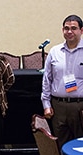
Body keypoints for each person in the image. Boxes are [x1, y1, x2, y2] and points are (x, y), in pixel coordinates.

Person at [41, 14, 83, 148]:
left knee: (80, 146)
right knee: (61, 145)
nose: (69, 31)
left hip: (80, 106)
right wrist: (46, 104)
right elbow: (47, 80)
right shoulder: (54, 51)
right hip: (58, 107)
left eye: (73, 28)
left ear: (81, 30)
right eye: (66, 28)